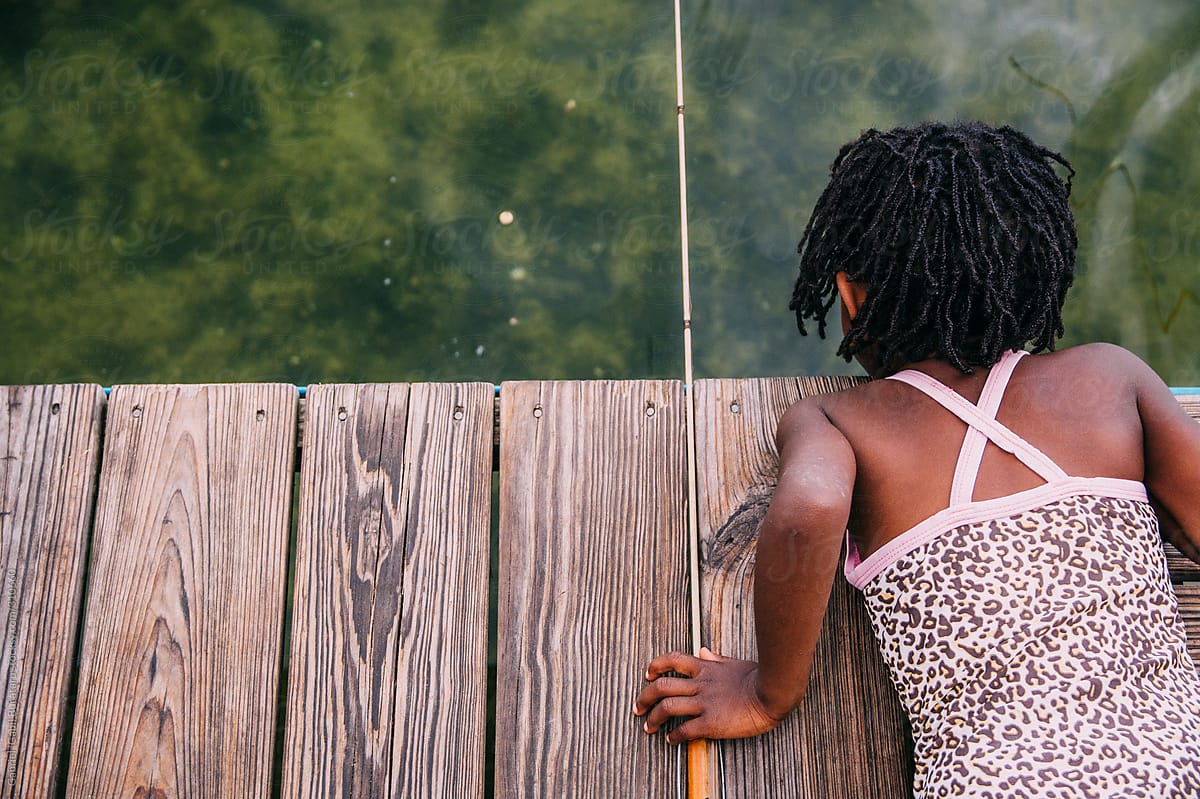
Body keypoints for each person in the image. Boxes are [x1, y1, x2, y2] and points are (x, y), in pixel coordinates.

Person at [633, 121, 1200, 797]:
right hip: (1177, 755)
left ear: (847, 294)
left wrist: (767, 689)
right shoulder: (1113, 378)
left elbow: (811, 505)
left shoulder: (841, 419)